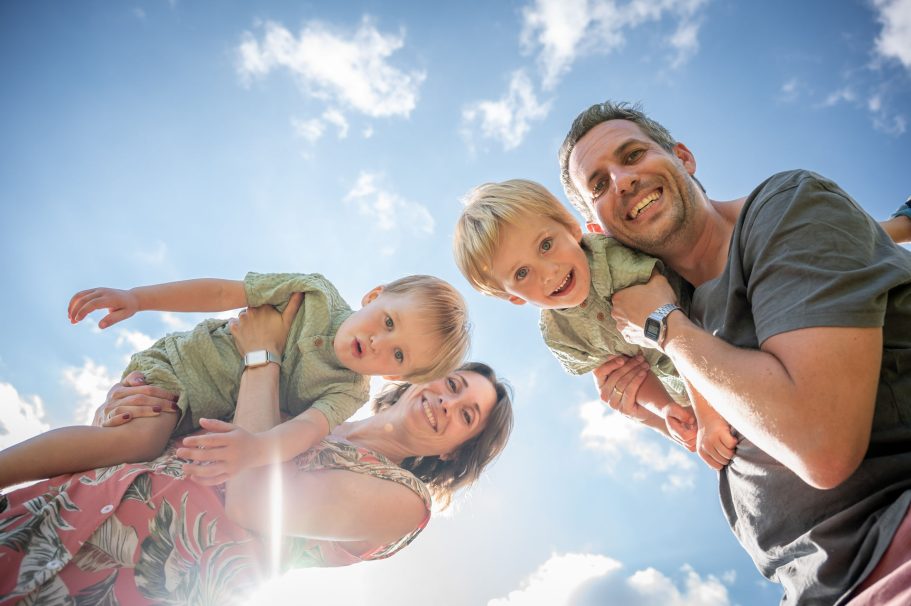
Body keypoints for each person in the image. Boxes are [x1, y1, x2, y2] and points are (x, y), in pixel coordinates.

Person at [559, 100, 911, 605]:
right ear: (597, 228)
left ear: (684, 156)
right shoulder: (664, 313)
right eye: (598, 185)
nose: (621, 180)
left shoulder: (787, 205)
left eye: (633, 154)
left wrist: (667, 329)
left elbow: (821, 443)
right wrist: (662, 414)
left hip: (893, 547)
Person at [0, 300, 513, 605]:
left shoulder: (405, 504)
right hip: (66, 506)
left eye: (467, 414)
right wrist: (123, 408)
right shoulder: (309, 406)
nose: (446, 403)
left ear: (455, 453)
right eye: (451, 385)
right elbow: (183, 417)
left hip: (135, 578)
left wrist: (261, 358)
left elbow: (250, 501)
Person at [0, 272, 470, 489]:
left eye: (399, 354)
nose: (380, 342)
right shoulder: (313, 293)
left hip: (198, 420)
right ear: (374, 294)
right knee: (141, 438)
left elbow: (304, 430)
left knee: (136, 455)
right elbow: (225, 292)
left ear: (395, 375)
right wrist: (138, 297)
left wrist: (258, 449)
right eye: (387, 321)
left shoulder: (348, 390)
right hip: (183, 370)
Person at [453, 179, 713, 456]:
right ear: (513, 297)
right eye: (521, 273)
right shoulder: (560, 335)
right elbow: (627, 374)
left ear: (571, 228)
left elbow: (674, 319)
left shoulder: (611, 258)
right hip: (683, 393)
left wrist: (709, 411)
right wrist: (666, 410)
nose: (549, 272)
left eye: (545, 245)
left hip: (711, 340)